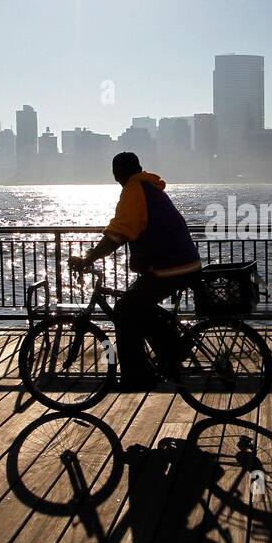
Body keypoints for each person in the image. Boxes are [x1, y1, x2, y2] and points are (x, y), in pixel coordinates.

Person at [68, 152, 201, 390]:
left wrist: (89, 257)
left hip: (169, 266)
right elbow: (126, 230)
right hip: (180, 262)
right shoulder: (149, 187)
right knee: (139, 307)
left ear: (117, 173)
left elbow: (118, 233)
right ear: (138, 168)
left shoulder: (133, 191)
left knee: (125, 309)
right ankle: (170, 351)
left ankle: (139, 374)